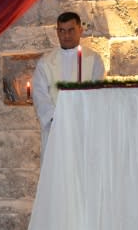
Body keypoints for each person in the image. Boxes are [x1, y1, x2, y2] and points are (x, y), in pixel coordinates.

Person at [32, 12, 105, 156]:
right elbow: (39, 94)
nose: (66, 35)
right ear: (57, 32)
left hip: (85, 128)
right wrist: (55, 119)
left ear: (80, 30)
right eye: (62, 31)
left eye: (71, 30)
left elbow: (98, 92)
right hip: (56, 129)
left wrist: (82, 117)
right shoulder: (46, 62)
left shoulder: (93, 60)